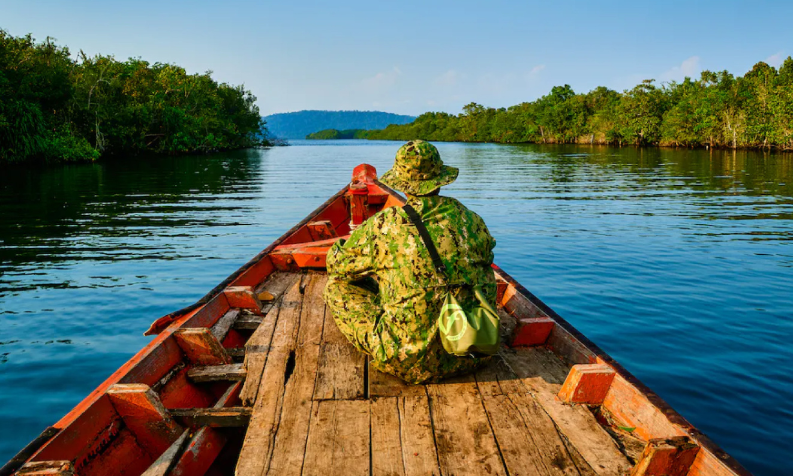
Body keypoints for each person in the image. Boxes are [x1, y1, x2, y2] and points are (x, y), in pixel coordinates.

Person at [322, 140, 497, 384]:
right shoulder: (471, 219)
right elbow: (487, 258)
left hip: (406, 361)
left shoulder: (385, 225)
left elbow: (338, 267)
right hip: (473, 350)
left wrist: (346, 247)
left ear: (402, 184)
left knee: (336, 287)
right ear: (440, 178)